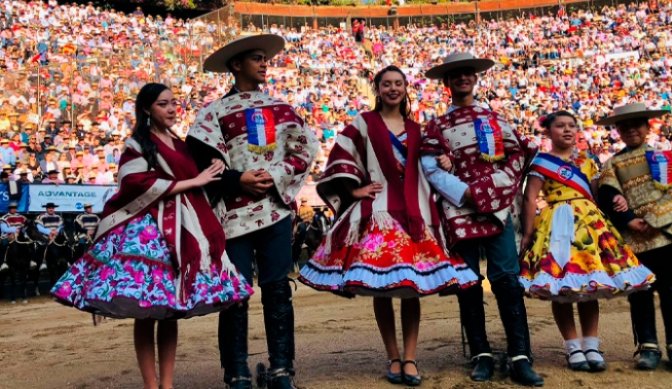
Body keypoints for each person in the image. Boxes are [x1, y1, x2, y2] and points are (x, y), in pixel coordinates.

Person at [50, 83, 253, 389]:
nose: (171, 109)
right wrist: (195, 180)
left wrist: (212, 168)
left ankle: (167, 384)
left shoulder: (181, 144)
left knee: (170, 310)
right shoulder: (137, 143)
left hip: (183, 226)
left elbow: (198, 175)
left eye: (174, 103)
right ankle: (150, 384)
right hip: (148, 229)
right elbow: (133, 182)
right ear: (146, 109)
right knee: (146, 311)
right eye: (163, 104)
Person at [299, 65, 478, 386]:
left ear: (405, 89)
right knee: (381, 288)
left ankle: (409, 357)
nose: (393, 89)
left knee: (410, 290)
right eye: (387, 84)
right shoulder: (363, 124)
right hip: (377, 214)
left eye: (398, 84)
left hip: (414, 215)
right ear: (377, 89)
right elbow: (341, 155)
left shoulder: (417, 129)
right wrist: (354, 190)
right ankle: (393, 355)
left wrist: (445, 160)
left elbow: (435, 161)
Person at [187, 35, 319, 389]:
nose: (264, 63)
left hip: (275, 213)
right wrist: (236, 179)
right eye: (256, 59)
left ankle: (281, 369)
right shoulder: (211, 114)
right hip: (231, 217)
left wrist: (274, 175)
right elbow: (199, 165)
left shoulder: (283, 109)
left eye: (265, 58)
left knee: (278, 290)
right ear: (236, 65)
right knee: (235, 293)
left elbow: (306, 149)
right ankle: (236, 373)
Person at [419, 52, 543, 386]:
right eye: (455, 74)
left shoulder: (496, 119)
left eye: (467, 73)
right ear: (447, 83)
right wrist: (469, 194)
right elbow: (429, 167)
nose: (462, 78)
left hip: (497, 209)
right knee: (468, 282)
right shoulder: (436, 127)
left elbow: (518, 155)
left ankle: (520, 355)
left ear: (475, 79)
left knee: (506, 279)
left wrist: (487, 192)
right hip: (460, 208)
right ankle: (481, 354)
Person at [519, 111, 655, 372]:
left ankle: (591, 344)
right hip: (556, 225)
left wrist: (619, 203)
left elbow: (598, 195)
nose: (567, 130)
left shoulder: (588, 161)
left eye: (572, 125)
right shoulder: (539, 163)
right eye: (560, 126)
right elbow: (529, 198)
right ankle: (572, 347)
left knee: (588, 285)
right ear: (548, 131)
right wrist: (527, 233)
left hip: (589, 224)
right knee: (561, 290)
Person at [596, 102, 672, 371]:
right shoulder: (612, 164)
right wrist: (630, 220)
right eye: (623, 126)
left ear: (647, 127)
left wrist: (650, 221)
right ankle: (648, 345)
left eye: (635, 125)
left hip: (663, 235)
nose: (630, 130)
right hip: (635, 238)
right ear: (617, 131)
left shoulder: (665, 157)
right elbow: (605, 195)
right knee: (640, 293)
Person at [35, 202, 65, 271]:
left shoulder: (58, 217)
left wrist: (56, 231)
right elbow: (39, 227)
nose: (51, 209)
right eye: (49, 208)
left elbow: (60, 226)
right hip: (45, 236)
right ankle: (42, 262)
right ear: (46, 209)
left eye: (52, 208)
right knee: (42, 246)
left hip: (56, 236)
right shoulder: (41, 217)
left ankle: (68, 260)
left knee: (66, 244)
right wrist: (50, 232)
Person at [0, 202, 27, 271]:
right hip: (7, 236)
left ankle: (31, 261)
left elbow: (25, 227)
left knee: (30, 245)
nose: (13, 209)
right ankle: (3, 262)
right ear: (9, 209)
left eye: (14, 208)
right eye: (12, 208)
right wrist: (15, 229)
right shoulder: (4, 218)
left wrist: (23, 231)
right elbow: (4, 229)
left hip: (20, 236)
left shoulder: (22, 217)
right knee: (4, 245)